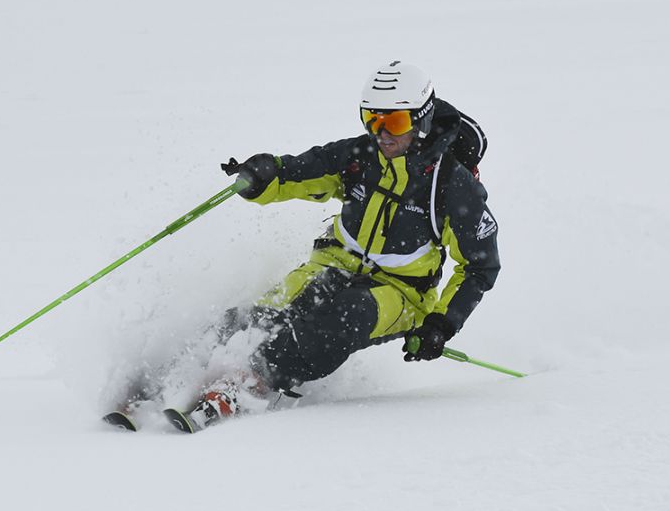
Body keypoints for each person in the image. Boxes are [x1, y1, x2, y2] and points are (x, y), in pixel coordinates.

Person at [194, 61, 501, 425]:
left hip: (401, 293)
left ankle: (252, 383)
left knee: (345, 317)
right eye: (371, 119)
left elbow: (480, 265)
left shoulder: (451, 183)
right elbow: (303, 171)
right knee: (263, 315)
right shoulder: (361, 157)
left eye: (395, 123)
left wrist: (440, 325)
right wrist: (265, 175)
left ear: (422, 120)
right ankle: (180, 369)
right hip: (334, 265)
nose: (381, 134)